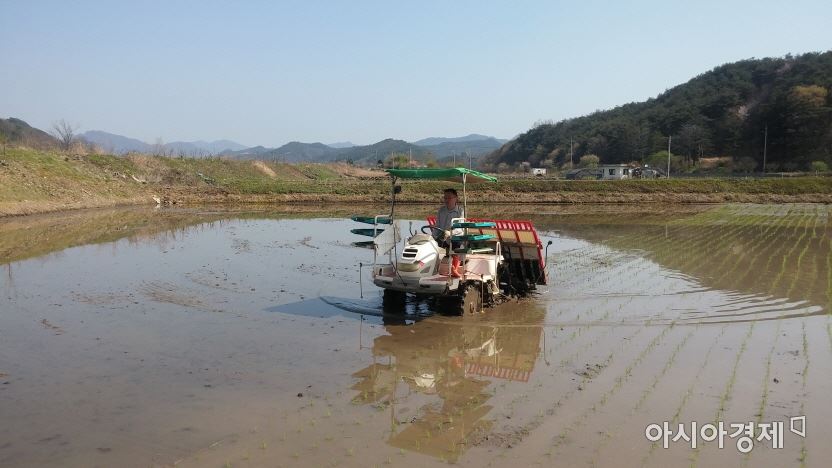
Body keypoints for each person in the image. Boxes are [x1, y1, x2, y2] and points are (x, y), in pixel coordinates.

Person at [434, 188, 464, 277]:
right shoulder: (441, 210)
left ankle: (454, 269)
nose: (447, 200)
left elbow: (460, 228)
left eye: (449, 198)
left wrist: (450, 232)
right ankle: (432, 268)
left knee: (456, 243)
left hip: (455, 237)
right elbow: (437, 226)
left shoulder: (460, 211)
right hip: (442, 237)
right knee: (431, 244)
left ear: (456, 198)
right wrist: (432, 237)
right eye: (445, 198)